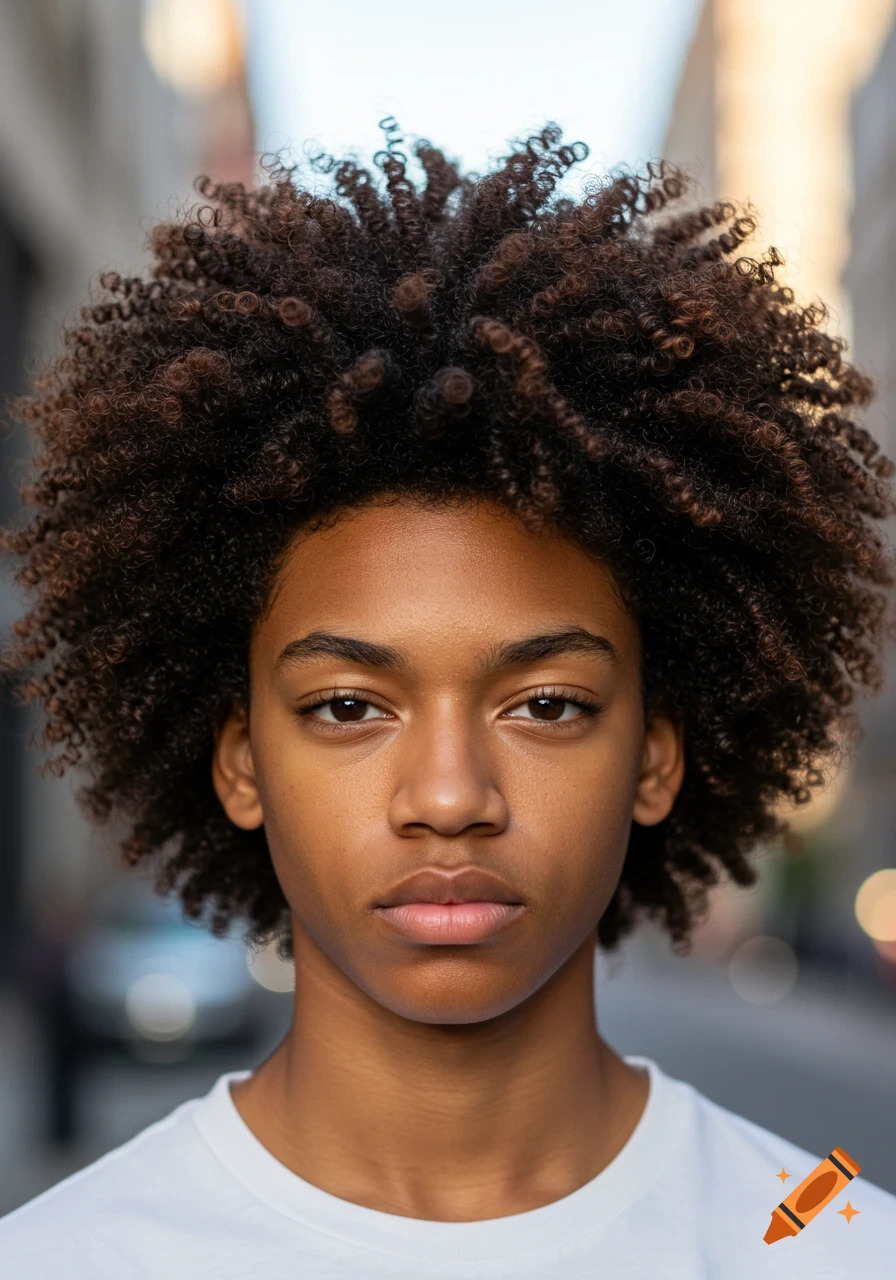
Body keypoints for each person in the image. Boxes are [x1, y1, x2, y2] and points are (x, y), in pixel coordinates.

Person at [1, 120, 894, 1277]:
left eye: (549, 704)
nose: (447, 796)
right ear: (239, 762)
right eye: (344, 706)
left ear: (653, 755)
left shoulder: (838, 1248)